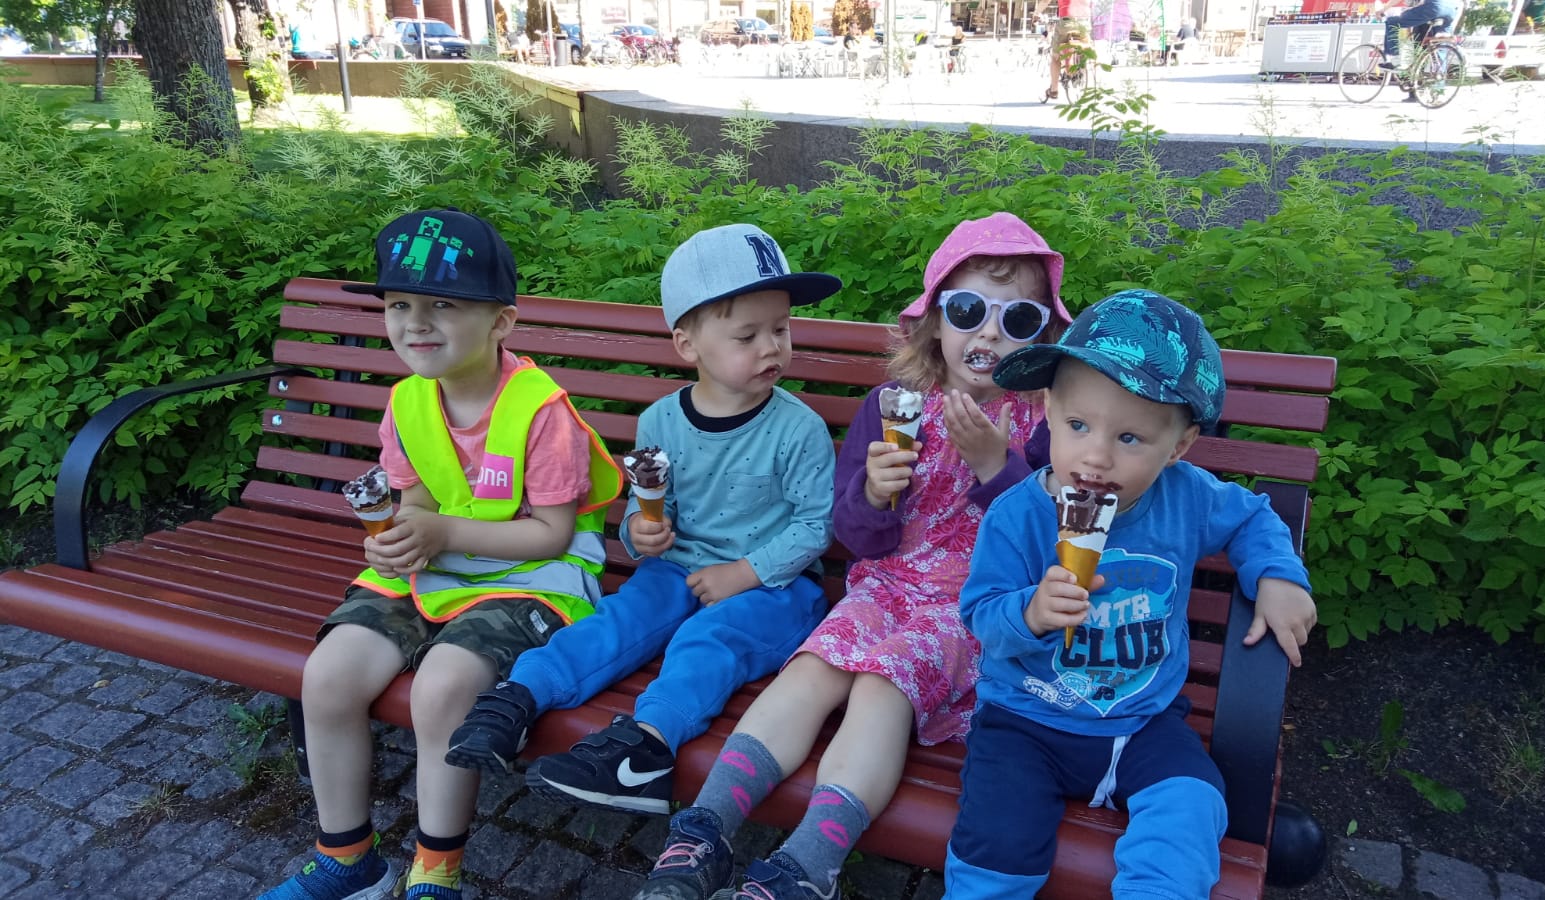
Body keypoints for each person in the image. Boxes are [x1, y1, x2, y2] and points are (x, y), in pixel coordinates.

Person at [625, 213, 1071, 900]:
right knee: (812, 668)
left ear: (1041, 334)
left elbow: (1051, 545)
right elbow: (859, 537)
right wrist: (873, 492)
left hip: (976, 605)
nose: (988, 334)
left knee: (880, 685)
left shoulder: (1046, 423)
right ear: (935, 321)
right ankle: (703, 830)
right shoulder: (895, 407)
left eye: (1017, 320)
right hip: (884, 586)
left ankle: (809, 864)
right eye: (969, 311)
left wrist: (996, 467)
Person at [259, 208, 622, 900]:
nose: (416, 324)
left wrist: (442, 534)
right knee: (328, 676)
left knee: (443, 688)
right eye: (400, 305)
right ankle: (348, 860)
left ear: (501, 322)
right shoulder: (407, 403)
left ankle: (436, 873)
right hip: (438, 570)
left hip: (534, 581)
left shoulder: (542, 411)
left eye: (444, 306)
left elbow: (551, 535)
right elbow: (420, 501)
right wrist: (401, 538)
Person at [443, 223, 840, 818]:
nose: (772, 347)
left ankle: (647, 749)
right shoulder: (661, 420)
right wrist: (641, 529)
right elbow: (651, 502)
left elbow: (815, 525)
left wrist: (745, 572)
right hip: (678, 568)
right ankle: (519, 697)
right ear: (687, 345)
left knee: (708, 639)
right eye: (747, 335)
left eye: (780, 330)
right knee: (622, 617)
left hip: (776, 587)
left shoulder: (798, 428)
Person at [945, 289, 1318, 898]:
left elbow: (1254, 516)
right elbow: (981, 616)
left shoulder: (1188, 497)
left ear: (1179, 447)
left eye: (1130, 439)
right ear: (1047, 412)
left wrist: (1277, 576)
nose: (1095, 457)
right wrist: (1031, 612)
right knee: (995, 844)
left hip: (1143, 722)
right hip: (1025, 720)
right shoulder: (1017, 515)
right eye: (1078, 426)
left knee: (1193, 803)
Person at [1379, 0, 1461, 67]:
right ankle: (1439, 79)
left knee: (1391, 22)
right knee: (1440, 43)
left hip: (1435, 6)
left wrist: (1382, 10)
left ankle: (1394, 61)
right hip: (1452, 9)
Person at [1043, 14, 1090, 101]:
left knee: (1055, 57)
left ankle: (1054, 90)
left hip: (1067, 23)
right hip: (1085, 22)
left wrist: (1036, 14)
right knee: (1083, 47)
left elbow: (1044, 4)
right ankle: (1081, 71)